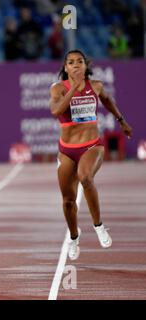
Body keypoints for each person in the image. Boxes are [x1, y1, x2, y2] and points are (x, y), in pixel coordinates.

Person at [49, 50, 133, 260]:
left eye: (80, 62)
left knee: (85, 177)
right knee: (68, 201)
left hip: (92, 146)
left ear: (85, 66)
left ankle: (99, 225)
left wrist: (121, 120)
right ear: (66, 68)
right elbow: (56, 111)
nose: (76, 65)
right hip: (67, 150)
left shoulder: (96, 86)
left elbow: (107, 100)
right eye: (71, 62)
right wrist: (74, 89)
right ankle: (75, 236)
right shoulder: (58, 89)